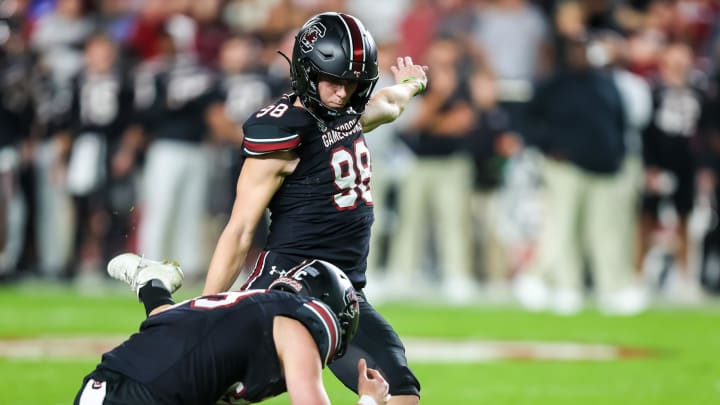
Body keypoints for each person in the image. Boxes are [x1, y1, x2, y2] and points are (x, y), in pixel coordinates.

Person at [202, 12, 426, 404]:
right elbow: (239, 229)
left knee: (401, 393)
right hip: (287, 285)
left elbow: (389, 104)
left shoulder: (349, 114)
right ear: (308, 70)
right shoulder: (284, 131)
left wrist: (410, 84)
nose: (342, 92)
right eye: (333, 80)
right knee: (213, 387)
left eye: (351, 82)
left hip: (344, 293)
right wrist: (205, 307)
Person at [75, 254, 390, 405]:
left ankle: (151, 280)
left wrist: (153, 290)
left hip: (105, 388)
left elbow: (172, 329)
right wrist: (370, 401)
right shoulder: (299, 323)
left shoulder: (251, 314)